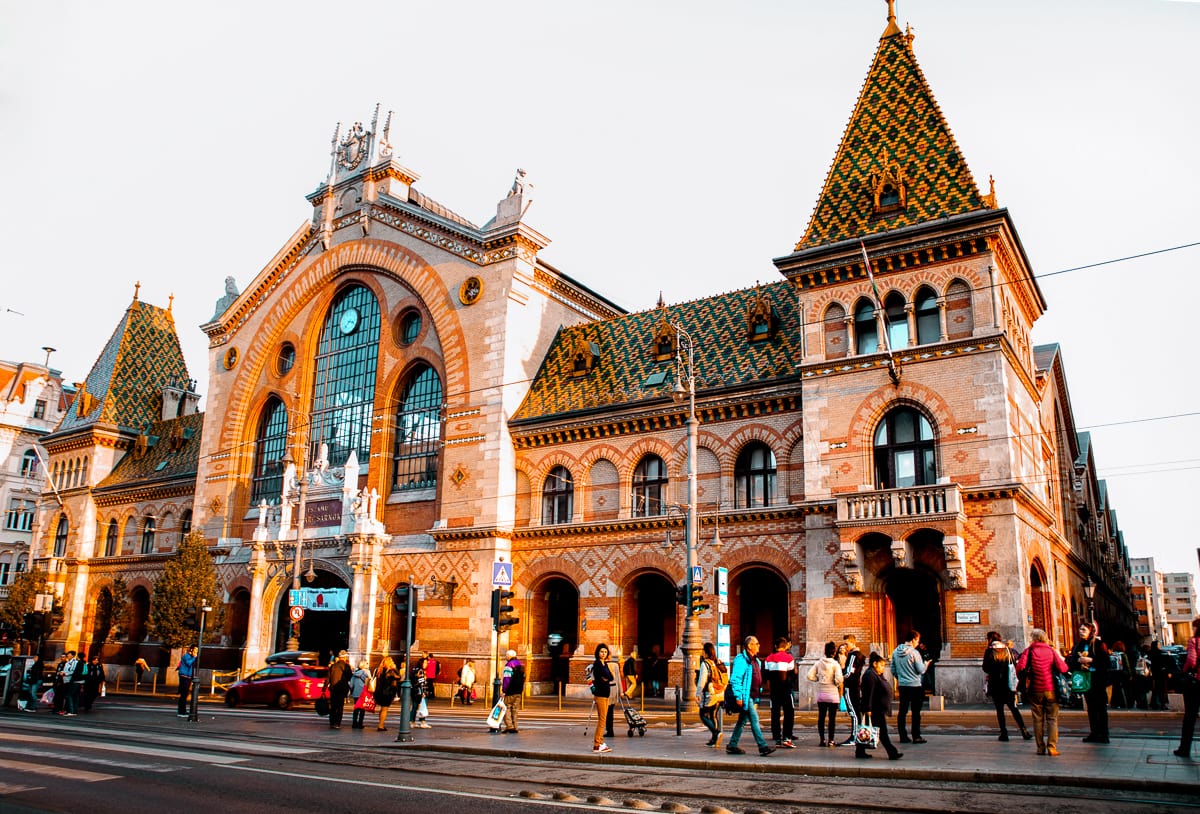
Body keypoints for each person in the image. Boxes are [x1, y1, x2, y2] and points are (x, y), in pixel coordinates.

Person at [1016, 628, 1069, 756]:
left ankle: (1040, 748)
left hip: (1035, 690)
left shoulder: (1028, 651)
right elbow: (1064, 667)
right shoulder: (1051, 650)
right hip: (1051, 689)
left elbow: (1020, 668)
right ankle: (1052, 747)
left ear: (1033, 639)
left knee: (1037, 719)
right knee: (1052, 719)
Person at [725, 636, 776, 757]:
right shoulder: (742, 659)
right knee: (755, 720)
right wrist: (738, 697)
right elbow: (735, 679)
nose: (759, 646)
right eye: (756, 644)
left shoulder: (755, 660)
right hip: (745, 696)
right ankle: (762, 746)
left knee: (742, 721)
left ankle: (732, 744)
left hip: (752, 695)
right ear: (749, 646)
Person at [982, 631, 1030, 741]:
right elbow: (1013, 664)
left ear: (990, 639)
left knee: (1000, 710)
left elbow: (985, 668)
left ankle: (1004, 733)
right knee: (1014, 708)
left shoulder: (989, 651)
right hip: (1008, 683)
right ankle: (1024, 731)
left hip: (995, 684)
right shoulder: (1007, 649)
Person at [1069, 622, 1110, 743]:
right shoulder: (1078, 646)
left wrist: (1091, 659)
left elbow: (1106, 662)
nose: (1081, 631)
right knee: (1091, 707)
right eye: (1080, 629)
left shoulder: (1098, 644)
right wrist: (1078, 661)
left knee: (1101, 708)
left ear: (1091, 632)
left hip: (1098, 680)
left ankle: (1103, 734)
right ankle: (1094, 732)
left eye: (1084, 630)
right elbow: (1071, 662)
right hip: (1085, 679)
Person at [857, 651, 901, 760]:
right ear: (875, 663)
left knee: (870, 729)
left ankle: (860, 750)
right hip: (875, 708)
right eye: (881, 665)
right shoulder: (870, 675)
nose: (883, 668)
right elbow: (869, 693)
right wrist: (868, 708)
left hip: (878, 708)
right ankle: (892, 753)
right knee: (881, 731)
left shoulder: (876, 674)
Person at [891, 630, 927, 744]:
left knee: (902, 711)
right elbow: (920, 670)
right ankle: (916, 736)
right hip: (915, 685)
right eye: (917, 640)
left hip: (903, 685)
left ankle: (903, 736)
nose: (917, 643)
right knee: (916, 712)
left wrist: (901, 677)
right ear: (913, 639)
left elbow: (893, 669)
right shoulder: (914, 653)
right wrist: (926, 664)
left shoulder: (896, 651)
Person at [808, 641, 844, 747]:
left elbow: (809, 675)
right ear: (834, 652)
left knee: (821, 717)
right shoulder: (835, 664)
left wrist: (817, 679)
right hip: (832, 694)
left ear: (825, 651)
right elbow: (839, 679)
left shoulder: (818, 663)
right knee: (832, 719)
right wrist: (835, 683)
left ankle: (822, 740)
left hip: (821, 693)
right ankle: (831, 740)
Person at [1174, 616, 1200, 758]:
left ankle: (1184, 749)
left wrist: (1185, 670)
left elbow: (1191, 660)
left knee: (1190, 717)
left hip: (1196, 683)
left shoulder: (1194, 641)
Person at [764, 636, 797, 748]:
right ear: (785, 646)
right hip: (786, 689)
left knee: (775, 714)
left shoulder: (768, 658)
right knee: (789, 713)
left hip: (774, 690)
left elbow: (767, 676)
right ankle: (787, 737)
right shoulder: (789, 658)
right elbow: (793, 674)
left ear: (775, 646)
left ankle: (777, 737)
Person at [696, 642, 727, 747]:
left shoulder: (706, 664)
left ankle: (716, 732)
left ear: (705, 652)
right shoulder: (718, 662)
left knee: (703, 715)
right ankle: (714, 740)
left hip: (711, 693)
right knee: (713, 715)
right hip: (721, 692)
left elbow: (702, 681)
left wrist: (698, 694)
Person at [589, 644, 615, 753]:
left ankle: (600, 742)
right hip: (600, 694)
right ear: (597, 653)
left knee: (602, 719)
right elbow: (606, 676)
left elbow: (610, 677)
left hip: (605, 694)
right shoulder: (598, 664)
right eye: (601, 652)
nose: (603, 654)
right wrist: (606, 677)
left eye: (605, 652)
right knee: (602, 720)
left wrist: (607, 677)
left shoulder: (604, 664)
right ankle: (597, 744)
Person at [841, 634, 865, 745]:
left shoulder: (853, 655)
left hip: (850, 687)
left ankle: (854, 737)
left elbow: (849, 672)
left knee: (854, 713)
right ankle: (857, 735)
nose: (845, 647)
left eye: (846, 644)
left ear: (852, 642)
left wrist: (839, 676)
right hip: (854, 686)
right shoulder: (857, 655)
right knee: (855, 712)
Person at [325, 650, 351, 729]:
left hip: (333, 689)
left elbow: (328, 678)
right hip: (342, 689)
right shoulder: (346, 666)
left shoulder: (333, 666)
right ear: (345, 657)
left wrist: (324, 687)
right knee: (340, 706)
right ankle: (337, 723)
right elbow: (350, 677)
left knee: (333, 706)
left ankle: (332, 722)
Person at [373, 656, 399, 731]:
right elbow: (398, 677)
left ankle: (381, 724)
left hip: (378, 692)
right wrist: (394, 668)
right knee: (384, 709)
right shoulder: (390, 671)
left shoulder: (378, 670)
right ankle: (381, 725)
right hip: (387, 693)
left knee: (382, 709)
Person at [501, 649, 524, 734]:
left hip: (510, 691)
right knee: (515, 709)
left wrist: (504, 690)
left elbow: (507, 679)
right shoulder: (521, 664)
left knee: (506, 708)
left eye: (506, 656)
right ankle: (515, 726)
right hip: (518, 691)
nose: (506, 657)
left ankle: (509, 726)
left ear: (509, 656)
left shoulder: (509, 665)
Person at [1109, 641, 1133, 709]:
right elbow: (1127, 665)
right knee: (1126, 689)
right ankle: (1127, 703)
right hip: (1123, 674)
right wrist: (1130, 674)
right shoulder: (1123, 655)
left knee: (1116, 689)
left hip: (1114, 674)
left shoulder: (1112, 655)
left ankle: (1116, 703)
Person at [1150, 641, 1173, 711]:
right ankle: (1162, 704)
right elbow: (1165, 663)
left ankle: (1154, 703)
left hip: (1155, 673)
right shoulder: (1160, 653)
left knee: (1156, 689)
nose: (1160, 646)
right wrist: (1169, 656)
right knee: (1162, 689)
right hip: (1161, 673)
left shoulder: (1152, 653)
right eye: (1159, 644)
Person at [349, 659, 371, 729]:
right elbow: (369, 682)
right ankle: (360, 724)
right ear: (365, 664)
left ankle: (354, 723)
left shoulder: (355, 673)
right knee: (362, 709)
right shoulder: (366, 673)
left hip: (356, 693)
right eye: (367, 663)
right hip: (363, 693)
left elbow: (351, 685)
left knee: (356, 708)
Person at [176, 646, 197, 719]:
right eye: (195, 651)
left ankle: (183, 710)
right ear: (191, 650)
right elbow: (188, 663)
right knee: (183, 694)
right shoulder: (186, 656)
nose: (196, 652)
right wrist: (194, 657)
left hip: (187, 677)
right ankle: (181, 712)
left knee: (185, 694)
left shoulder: (190, 656)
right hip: (184, 676)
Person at [410, 655, 430, 728]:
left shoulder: (416, 670)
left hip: (415, 691)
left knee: (415, 707)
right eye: (425, 663)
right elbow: (421, 683)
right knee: (420, 707)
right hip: (419, 692)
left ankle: (412, 721)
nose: (426, 664)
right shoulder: (420, 671)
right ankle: (422, 721)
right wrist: (423, 692)